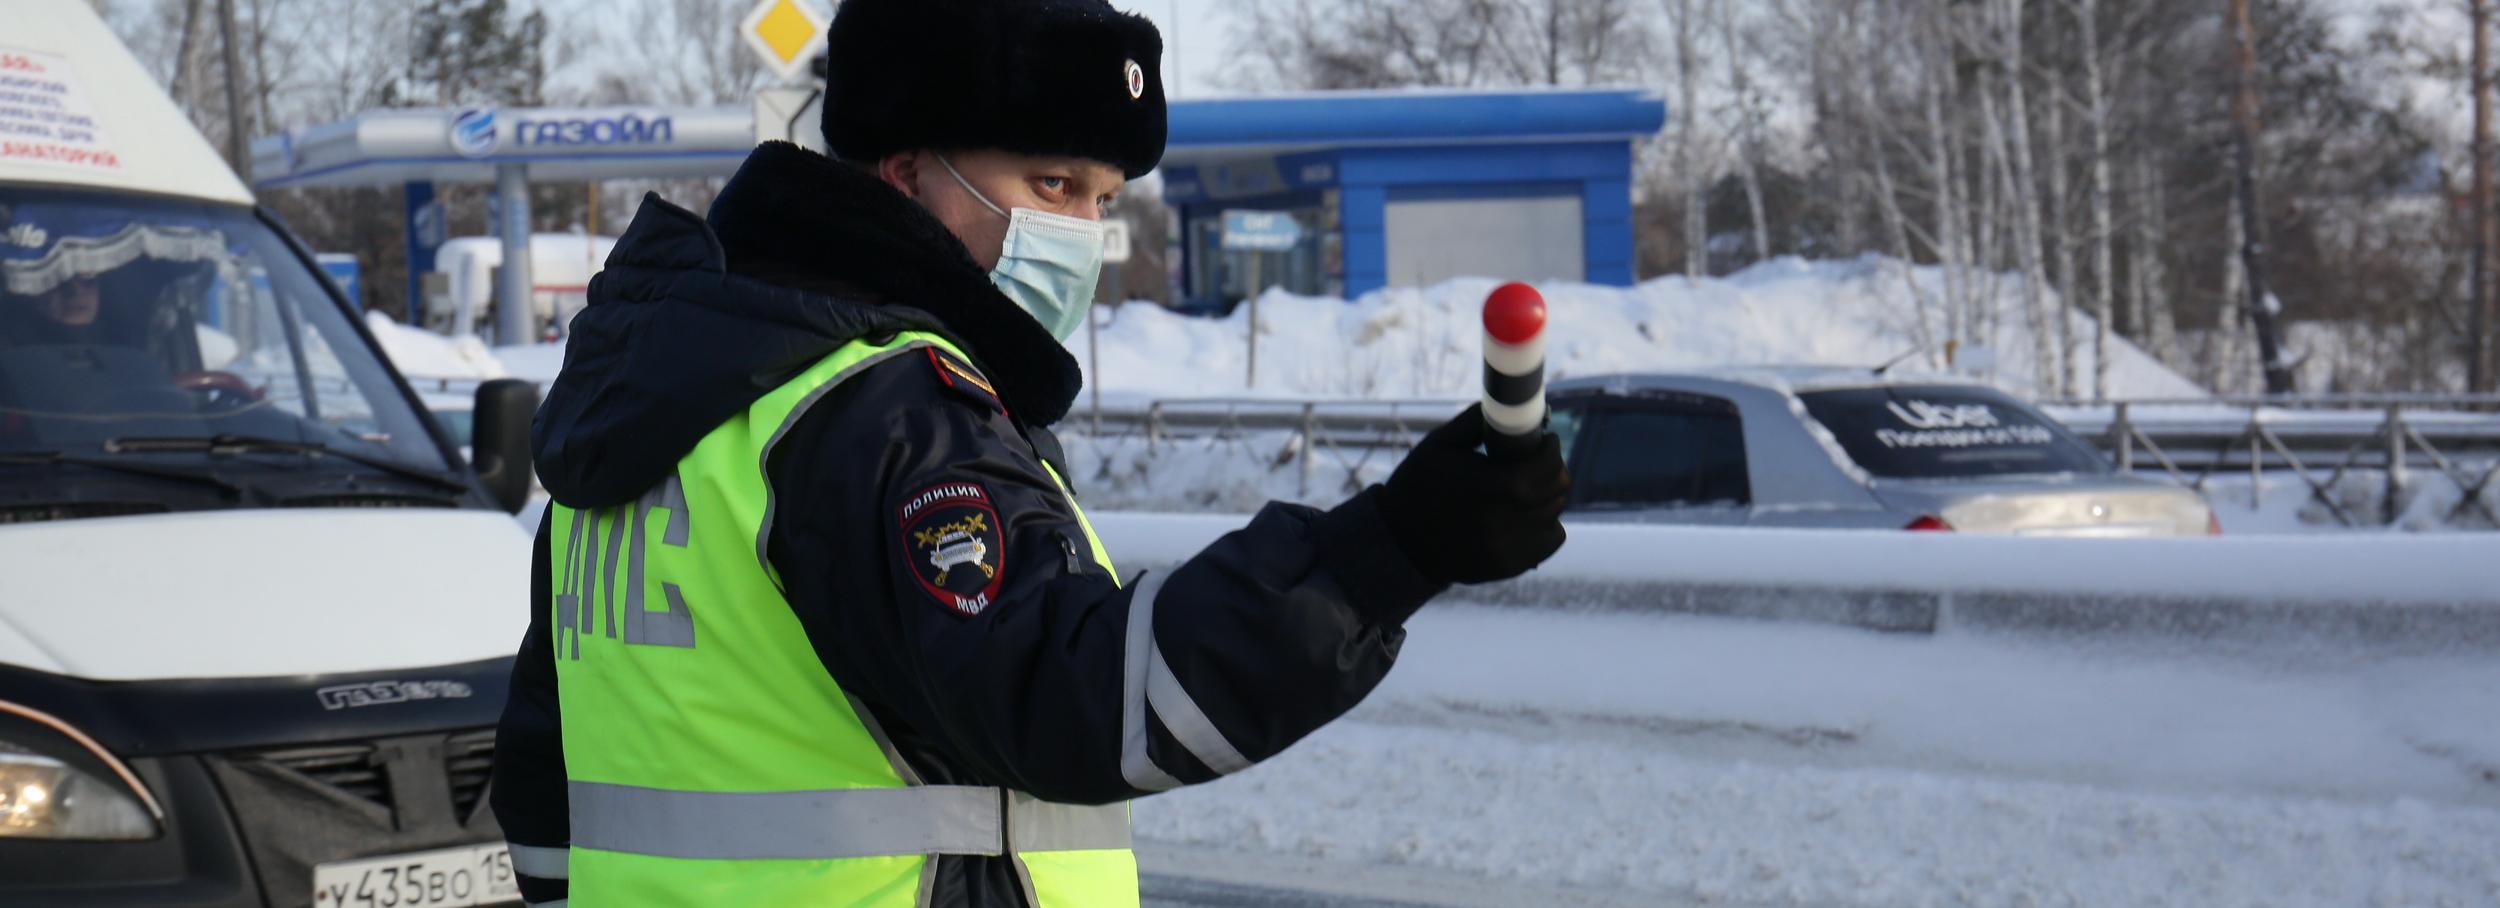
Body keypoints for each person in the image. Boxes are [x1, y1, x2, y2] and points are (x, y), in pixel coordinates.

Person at [488, 0, 1571, 905]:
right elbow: (1078, 691)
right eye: (1050, 186)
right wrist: (1392, 547)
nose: (1084, 234)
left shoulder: (656, 398)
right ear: (904, 170)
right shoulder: (881, 405)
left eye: (1103, 199)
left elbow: (544, 788)